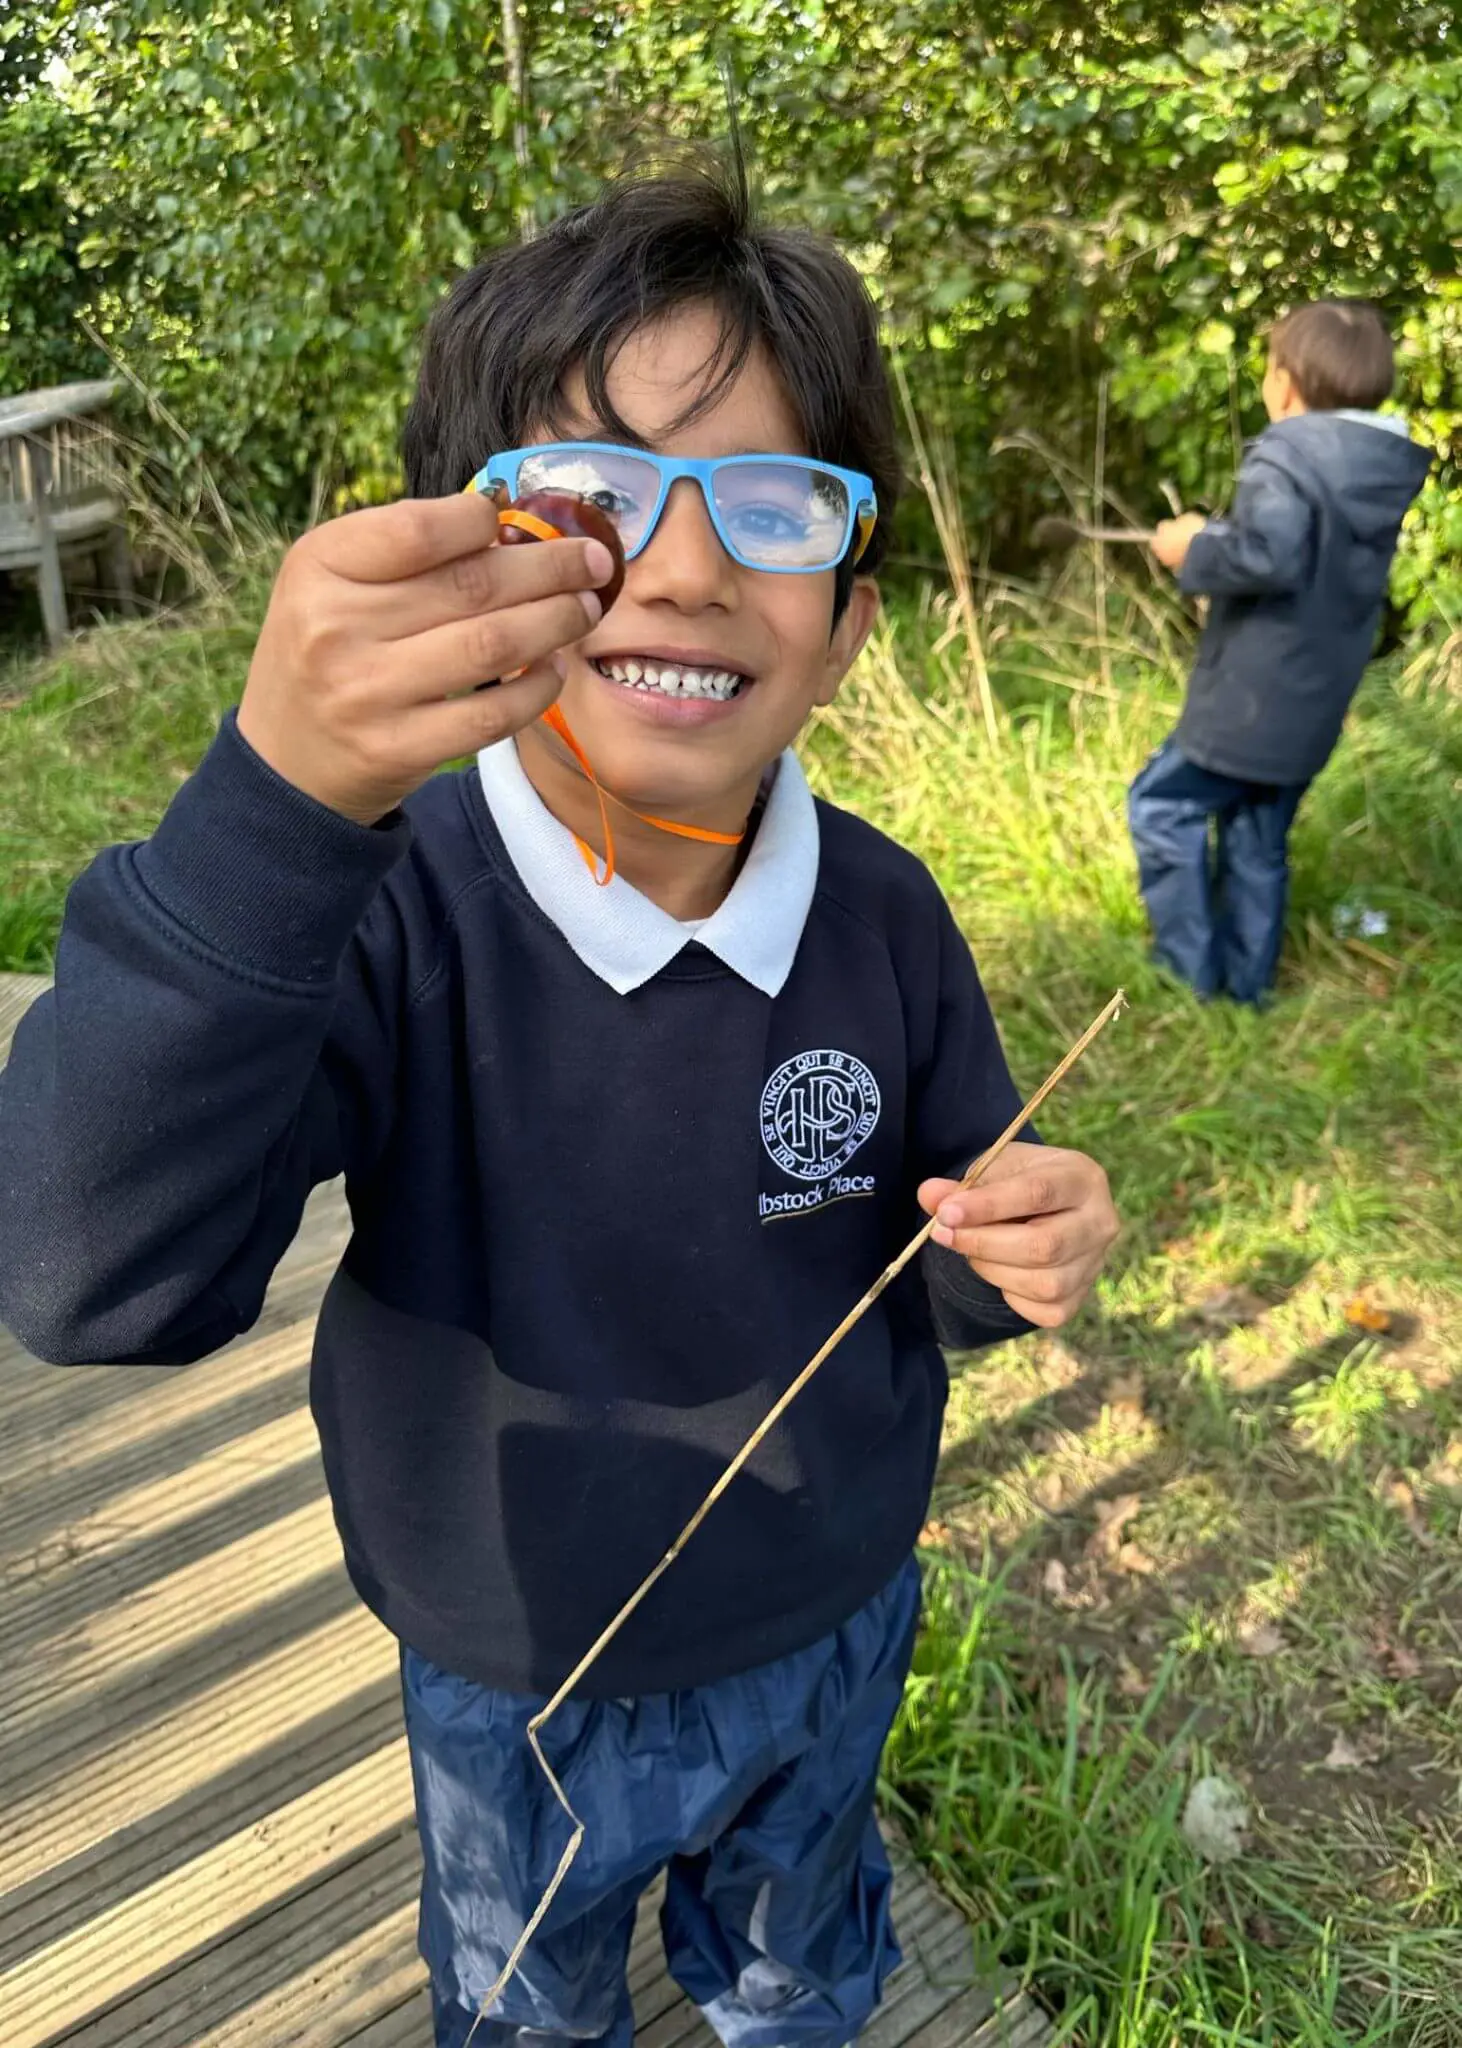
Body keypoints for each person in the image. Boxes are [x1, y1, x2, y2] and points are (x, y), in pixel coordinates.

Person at [0, 160, 1119, 2048]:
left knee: (798, 1979)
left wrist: (1020, 1244)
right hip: (509, 1667)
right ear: (467, 571)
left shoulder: (888, 914)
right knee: (529, 2011)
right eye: (592, 497)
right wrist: (278, 798)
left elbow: (933, 1249)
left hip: (836, 1614)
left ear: (844, 626)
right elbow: (87, 1270)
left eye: (773, 507)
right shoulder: (386, 898)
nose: (681, 567)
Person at [1130, 299, 1431, 1004]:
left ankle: (1186, 973)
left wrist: (1191, 545)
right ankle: (1247, 986)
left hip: (1247, 705)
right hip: (1313, 705)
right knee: (1257, 832)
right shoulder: (1380, 465)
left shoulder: (1289, 453)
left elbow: (1269, 553)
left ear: (1287, 382)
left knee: (1159, 805)